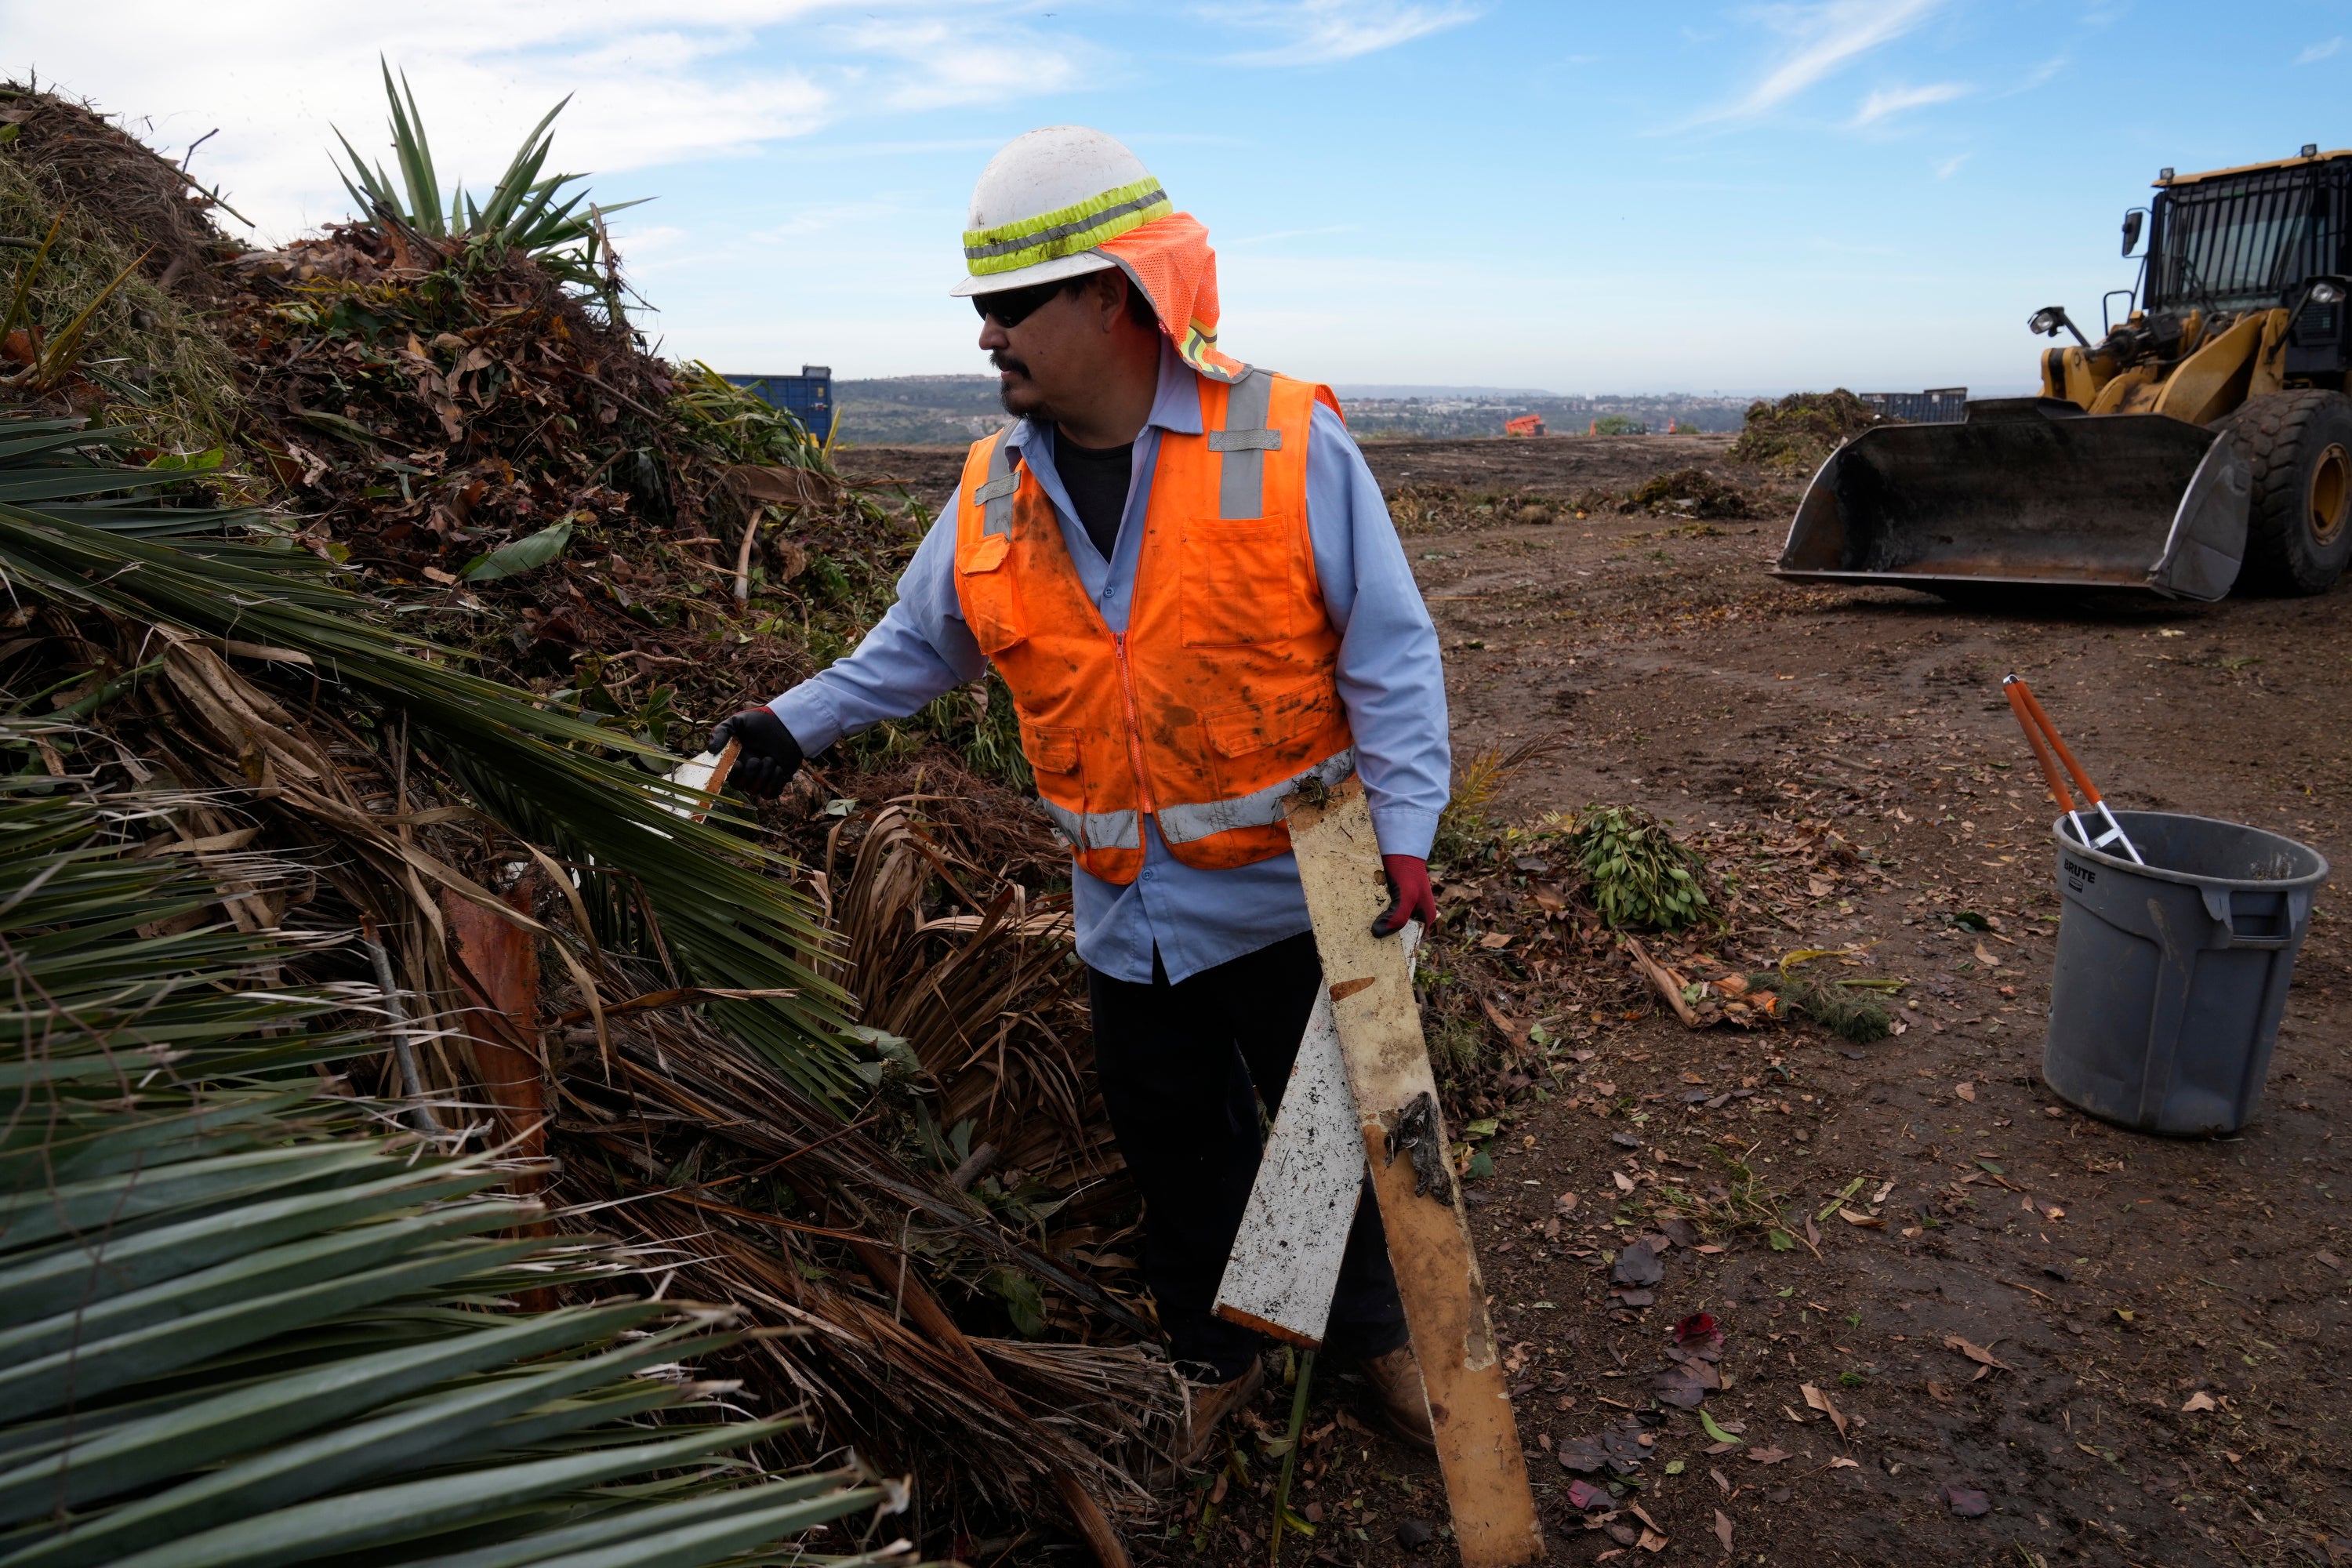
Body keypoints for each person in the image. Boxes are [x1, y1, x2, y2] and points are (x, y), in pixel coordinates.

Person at [711, 125, 1450, 1461]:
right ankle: (1214, 1361)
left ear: (1110, 295)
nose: (987, 338)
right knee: (1178, 1150)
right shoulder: (994, 486)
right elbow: (916, 645)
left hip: (1302, 887)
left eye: (1008, 307)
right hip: (1130, 913)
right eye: (983, 309)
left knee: (1335, 1138)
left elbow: (1389, 654)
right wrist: (794, 723)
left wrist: (1405, 840)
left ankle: (1372, 1343)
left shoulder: (1283, 440)